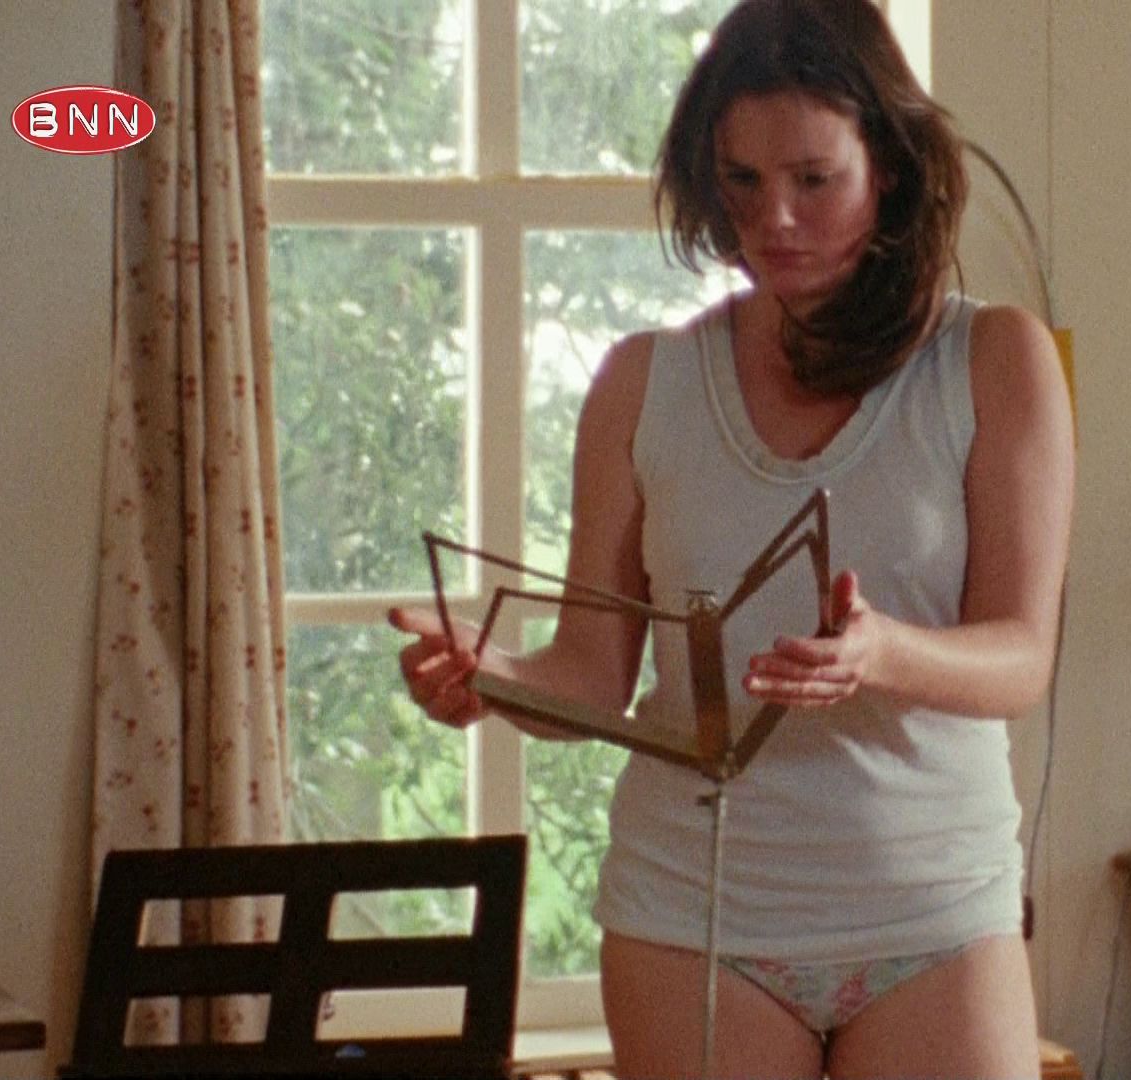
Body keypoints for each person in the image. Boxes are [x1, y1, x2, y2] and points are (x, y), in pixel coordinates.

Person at [389, 2, 1074, 1076]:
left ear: (890, 168)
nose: (774, 219)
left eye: (814, 179)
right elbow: (591, 674)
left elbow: (1022, 658)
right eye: (743, 180)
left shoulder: (994, 359)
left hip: (936, 914)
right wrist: (494, 678)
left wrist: (881, 652)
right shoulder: (642, 383)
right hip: (691, 919)